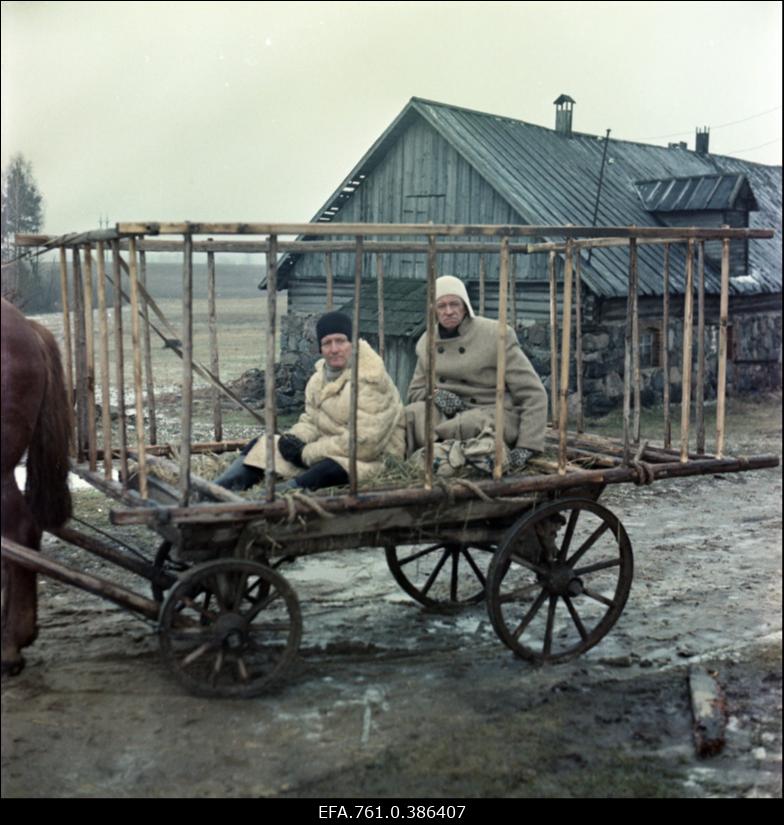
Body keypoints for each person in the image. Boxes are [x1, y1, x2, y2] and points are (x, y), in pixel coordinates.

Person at [215, 311, 406, 493]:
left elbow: (365, 444)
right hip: (328, 450)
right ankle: (220, 489)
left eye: (340, 341)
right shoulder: (318, 380)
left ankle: (268, 501)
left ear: (353, 343)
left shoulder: (371, 379)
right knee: (264, 445)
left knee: (328, 470)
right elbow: (312, 420)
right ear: (320, 348)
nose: (334, 349)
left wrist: (306, 453)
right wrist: (295, 440)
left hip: (372, 459)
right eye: (327, 343)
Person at [405, 275, 547, 471]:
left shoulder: (495, 335)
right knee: (412, 414)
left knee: (470, 423)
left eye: (454, 304)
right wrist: (436, 395)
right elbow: (414, 391)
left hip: (491, 413)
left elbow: (533, 392)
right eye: (441, 306)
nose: (449, 311)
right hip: (447, 416)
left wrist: (526, 446)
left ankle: (452, 453)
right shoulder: (426, 342)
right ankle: (420, 461)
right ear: (434, 311)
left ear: (465, 305)